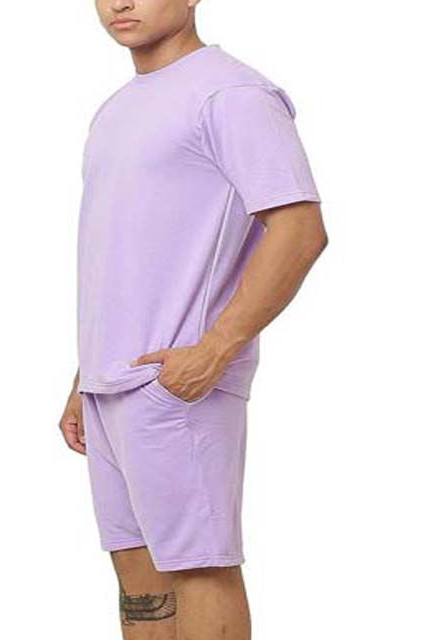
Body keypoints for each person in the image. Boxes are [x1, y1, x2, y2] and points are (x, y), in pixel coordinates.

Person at [59, 1, 328, 637]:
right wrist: (84, 375)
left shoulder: (230, 94)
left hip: (176, 387)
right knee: (138, 579)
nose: (120, 2)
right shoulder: (116, 109)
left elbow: (300, 228)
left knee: (199, 568)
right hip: (112, 385)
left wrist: (214, 350)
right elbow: (126, 252)